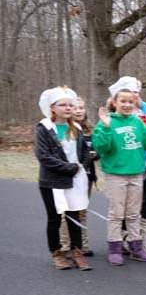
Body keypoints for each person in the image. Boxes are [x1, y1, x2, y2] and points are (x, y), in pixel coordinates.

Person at [93, 86, 146, 265]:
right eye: (123, 101)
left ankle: (136, 247)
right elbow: (101, 148)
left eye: (131, 101)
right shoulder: (107, 121)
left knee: (133, 214)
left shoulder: (137, 121)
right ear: (115, 103)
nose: (127, 105)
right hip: (116, 174)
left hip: (136, 173)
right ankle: (114, 248)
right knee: (116, 214)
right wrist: (106, 128)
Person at [35, 86, 91, 270]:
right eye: (63, 105)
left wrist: (81, 166)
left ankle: (77, 251)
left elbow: (83, 152)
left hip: (74, 179)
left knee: (74, 216)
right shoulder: (44, 128)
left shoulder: (75, 127)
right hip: (52, 182)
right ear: (52, 107)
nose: (68, 108)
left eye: (70, 105)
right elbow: (43, 156)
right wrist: (69, 168)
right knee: (55, 218)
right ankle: (57, 252)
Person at [59, 97, 98, 257]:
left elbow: (96, 151)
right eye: (75, 108)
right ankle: (65, 245)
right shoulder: (64, 130)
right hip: (69, 176)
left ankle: (82, 244)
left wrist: (95, 155)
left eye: (81, 108)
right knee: (67, 211)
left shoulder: (90, 130)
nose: (79, 111)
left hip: (86, 176)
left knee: (82, 211)